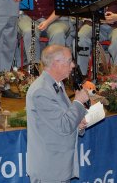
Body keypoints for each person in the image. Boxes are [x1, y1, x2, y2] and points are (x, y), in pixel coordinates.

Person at [26, 45, 89, 183]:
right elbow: (63, 125)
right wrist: (78, 102)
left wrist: (77, 123)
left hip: (58, 167)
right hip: (49, 170)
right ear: (55, 63)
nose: (72, 65)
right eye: (69, 61)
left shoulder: (56, 85)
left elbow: (60, 119)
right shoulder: (41, 91)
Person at [18, 0, 72, 67]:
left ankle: (56, 67)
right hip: (30, 17)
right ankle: (35, 67)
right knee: (29, 32)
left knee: (58, 33)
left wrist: (47, 22)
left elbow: (61, 6)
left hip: (55, 18)